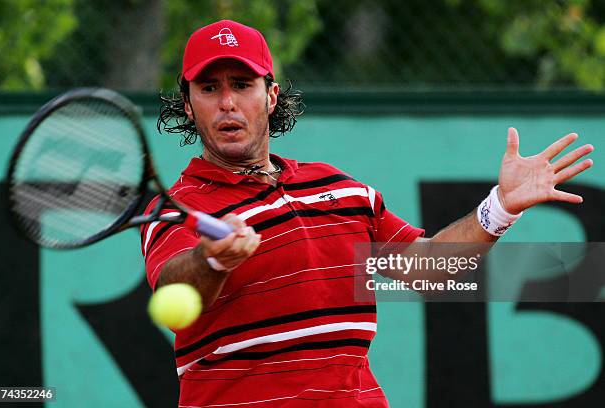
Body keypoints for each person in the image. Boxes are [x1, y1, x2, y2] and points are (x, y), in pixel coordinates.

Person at [142, 19, 594, 407]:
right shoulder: (179, 207)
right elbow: (173, 290)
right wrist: (214, 258)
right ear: (187, 104)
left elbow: (429, 269)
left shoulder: (338, 187)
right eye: (209, 88)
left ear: (271, 95)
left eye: (242, 85)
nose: (226, 103)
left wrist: (501, 206)